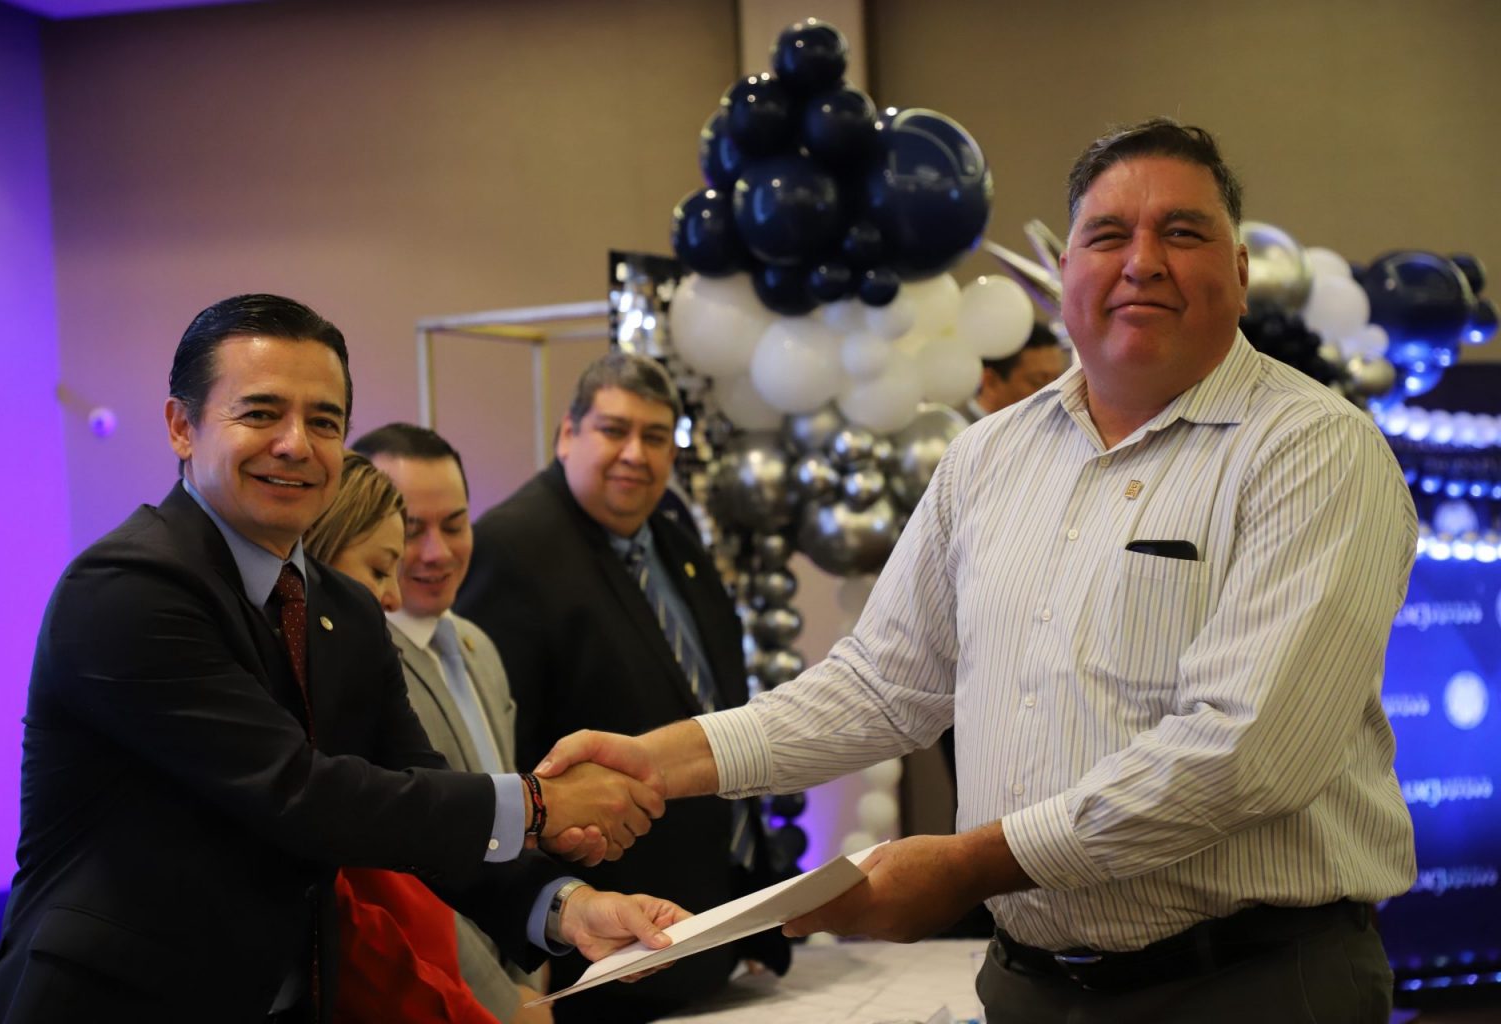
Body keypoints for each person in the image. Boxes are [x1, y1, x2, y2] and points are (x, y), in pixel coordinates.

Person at [539, 120, 1419, 1024]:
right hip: (1028, 987)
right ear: (1065, 272)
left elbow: (1245, 754)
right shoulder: (988, 456)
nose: (1141, 262)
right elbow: (882, 684)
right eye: (1107, 235)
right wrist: (658, 761)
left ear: (1238, 270)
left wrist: (967, 867)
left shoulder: (1315, 451)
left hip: (1249, 984)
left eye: (1182, 232)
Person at [0, 294, 682, 1024]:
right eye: (261, 413)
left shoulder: (343, 608)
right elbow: (300, 796)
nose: (295, 444)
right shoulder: (128, 587)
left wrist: (567, 907)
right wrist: (536, 803)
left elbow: (417, 789)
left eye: (324, 422)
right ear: (182, 426)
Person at [455, 351, 790, 1023]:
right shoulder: (512, 546)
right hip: (607, 948)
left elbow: (712, 698)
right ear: (568, 434)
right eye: (614, 430)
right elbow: (506, 753)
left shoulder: (672, 534)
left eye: (655, 436)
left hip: (707, 926)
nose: (635, 453)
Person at [350, 423, 551, 1024]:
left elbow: (506, 831)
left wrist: (531, 969)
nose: (437, 552)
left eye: (455, 524)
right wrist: (498, 1001)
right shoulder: (355, 665)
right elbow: (406, 869)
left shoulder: (477, 646)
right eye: (412, 530)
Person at [302, 451, 504, 1024]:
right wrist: (480, 1010)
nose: (391, 597)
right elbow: (359, 923)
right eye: (378, 569)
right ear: (316, 558)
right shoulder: (321, 712)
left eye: (455, 523)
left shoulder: (477, 647)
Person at [961, 323, 1068, 421]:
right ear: (990, 381)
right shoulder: (958, 430)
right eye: (1039, 381)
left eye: (1057, 380)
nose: (1055, 395)